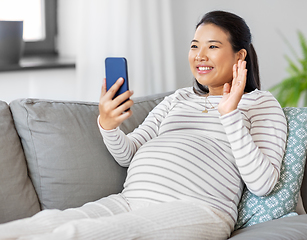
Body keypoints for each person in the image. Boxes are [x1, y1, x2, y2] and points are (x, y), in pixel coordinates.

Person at [0, 10, 287, 240]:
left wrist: (229, 114)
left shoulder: (260, 103)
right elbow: (129, 153)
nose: (200, 55)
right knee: (38, 225)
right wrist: (109, 125)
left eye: (212, 46)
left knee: (74, 235)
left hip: (197, 209)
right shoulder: (179, 98)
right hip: (130, 200)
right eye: (194, 46)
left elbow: (263, 183)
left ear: (240, 55)